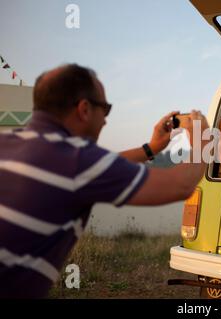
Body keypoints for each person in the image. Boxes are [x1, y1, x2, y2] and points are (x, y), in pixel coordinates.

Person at [0, 64, 209, 298]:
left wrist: (151, 148)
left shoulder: (11, 142)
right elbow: (180, 184)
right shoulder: (76, 160)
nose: (106, 121)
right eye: (106, 109)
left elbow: (100, 164)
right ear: (84, 109)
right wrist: (202, 138)